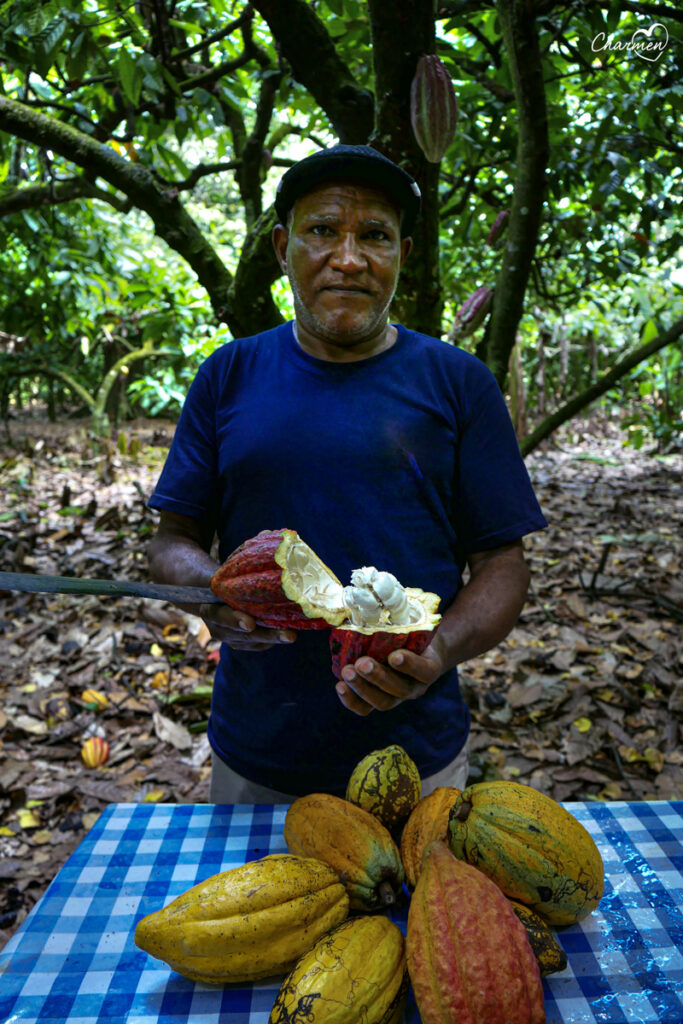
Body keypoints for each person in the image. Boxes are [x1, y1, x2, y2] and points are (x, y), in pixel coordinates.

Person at [147, 144, 546, 804]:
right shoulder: (228, 374)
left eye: (374, 236)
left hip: (416, 752)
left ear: (402, 255)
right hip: (258, 750)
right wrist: (207, 588)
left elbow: (503, 560)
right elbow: (171, 538)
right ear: (283, 246)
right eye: (323, 231)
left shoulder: (459, 384)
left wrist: (436, 653)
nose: (349, 258)